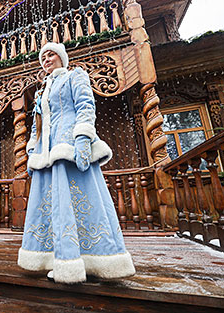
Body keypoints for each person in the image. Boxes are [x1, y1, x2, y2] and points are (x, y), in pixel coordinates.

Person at [17, 42, 135, 284]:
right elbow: (36, 125)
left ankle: (97, 260)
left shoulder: (74, 76)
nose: (46, 59)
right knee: (53, 207)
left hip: (68, 148)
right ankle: (59, 260)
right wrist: (32, 150)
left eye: (51, 55)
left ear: (62, 57)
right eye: (43, 57)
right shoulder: (42, 90)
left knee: (79, 202)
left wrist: (82, 138)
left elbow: (85, 106)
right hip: (46, 153)